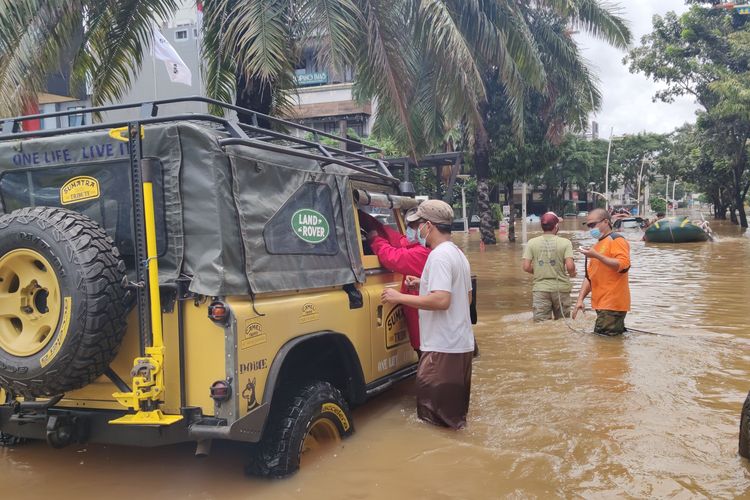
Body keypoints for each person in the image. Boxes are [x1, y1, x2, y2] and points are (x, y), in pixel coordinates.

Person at [381, 200, 474, 429]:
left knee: (434, 423)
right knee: (453, 421)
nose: (416, 230)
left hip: (442, 349)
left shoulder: (439, 256)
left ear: (429, 226)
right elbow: (466, 296)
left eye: (418, 225)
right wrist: (424, 283)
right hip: (459, 347)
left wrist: (399, 297)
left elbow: (442, 300)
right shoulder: (457, 254)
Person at [359, 208, 430, 354]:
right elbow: (399, 240)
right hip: (431, 333)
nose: (409, 231)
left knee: (429, 372)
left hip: (427, 335)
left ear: (428, 227)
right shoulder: (440, 251)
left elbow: (391, 257)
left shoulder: (422, 253)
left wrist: (374, 238)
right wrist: (368, 221)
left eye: (413, 226)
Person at [573, 208, 631, 336]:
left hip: (612, 304)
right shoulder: (596, 246)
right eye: (588, 226)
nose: (590, 229)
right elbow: (590, 277)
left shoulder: (616, 240)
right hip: (602, 304)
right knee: (606, 344)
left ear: (606, 222)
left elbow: (623, 265)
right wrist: (580, 300)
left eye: (593, 225)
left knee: (604, 347)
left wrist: (597, 256)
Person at [521, 212, 576, 321]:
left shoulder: (532, 243)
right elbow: (570, 267)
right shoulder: (565, 242)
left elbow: (526, 267)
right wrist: (573, 273)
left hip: (540, 290)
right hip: (561, 289)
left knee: (541, 326)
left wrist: (539, 271)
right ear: (556, 227)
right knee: (563, 323)